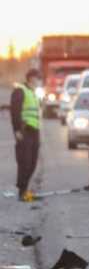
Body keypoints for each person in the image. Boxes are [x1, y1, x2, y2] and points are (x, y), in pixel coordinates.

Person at [10, 69, 41, 202]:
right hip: (24, 130)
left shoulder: (33, 93)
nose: (38, 80)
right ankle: (22, 192)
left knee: (33, 162)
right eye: (37, 78)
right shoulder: (20, 90)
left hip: (35, 131)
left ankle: (24, 189)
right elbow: (15, 111)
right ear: (30, 78)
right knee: (25, 162)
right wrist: (17, 130)